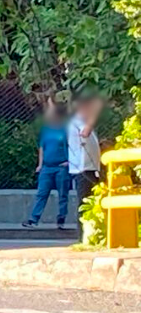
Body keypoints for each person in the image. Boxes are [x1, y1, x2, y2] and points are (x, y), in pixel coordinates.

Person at [23, 100, 71, 229]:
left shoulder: (65, 130)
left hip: (61, 167)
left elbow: (71, 145)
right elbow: (42, 148)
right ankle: (33, 219)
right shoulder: (46, 130)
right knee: (41, 193)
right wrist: (40, 165)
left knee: (63, 194)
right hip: (47, 167)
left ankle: (61, 219)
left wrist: (69, 161)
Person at [68, 92, 104, 239]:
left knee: (90, 201)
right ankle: (83, 235)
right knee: (85, 203)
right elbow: (85, 133)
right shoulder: (78, 120)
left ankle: (89, 234)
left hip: (90, 168)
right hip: (83, 169)